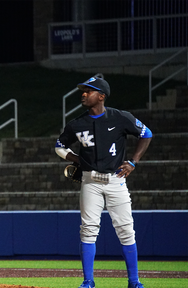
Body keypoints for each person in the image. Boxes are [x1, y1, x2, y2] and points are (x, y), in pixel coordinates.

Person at [55, 76, 152, 288]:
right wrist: (77, 159)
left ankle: (134, 281)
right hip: (90, 181)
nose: (83, 94)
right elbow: (59, 145)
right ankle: (88, 281)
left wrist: (133, 162)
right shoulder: (77, 124)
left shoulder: (120, 117)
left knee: (126, 229)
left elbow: (146, 134)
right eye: (83, 90)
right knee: (88, 229)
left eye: (88, 91)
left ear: (101, 96)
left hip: (116, 180)